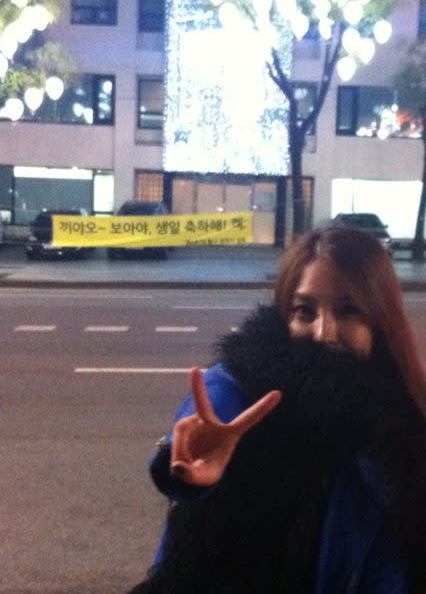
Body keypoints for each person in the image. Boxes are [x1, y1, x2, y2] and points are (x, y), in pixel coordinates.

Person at [129, 226, 426, 594]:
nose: (323, 332)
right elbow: (213, 411)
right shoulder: (248, 381)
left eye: (349, 310)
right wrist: (185, 462)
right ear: (285, 315)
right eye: (305, 310)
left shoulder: (400, 421)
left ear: (380, 322)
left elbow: (396, 557)